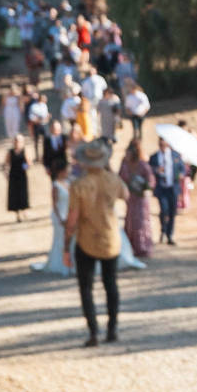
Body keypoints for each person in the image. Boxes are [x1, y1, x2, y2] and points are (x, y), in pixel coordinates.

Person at [63, 139, 129, 347]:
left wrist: (66, 246)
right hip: (111, 238)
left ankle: (93, 331)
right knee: (111, 285)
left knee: (86, 287)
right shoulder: (113, 180)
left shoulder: (78, 185)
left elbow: (72, 219)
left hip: (87, 240)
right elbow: (126, 195)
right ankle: (112, 328)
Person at [118, 139, 155, 259]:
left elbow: (150, 181)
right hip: (131, 196)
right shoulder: (125, 164)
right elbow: (120, 179)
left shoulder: (142, 164)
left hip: (140, 197)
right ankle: (133, 246)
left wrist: (144, 187)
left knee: (140, 220)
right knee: (131, 220)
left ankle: (142, 246)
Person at [32, 170, 73, 276]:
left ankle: (69, 263)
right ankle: (61, 263)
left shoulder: (68, 183)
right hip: (60, 215)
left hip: (67, 213)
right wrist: (60, 218)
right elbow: (54, 204)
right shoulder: (55, 185)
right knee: (60, 240)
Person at [148, 136, 184, 245]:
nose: (162, 146)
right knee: (164, 210)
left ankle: (170, 235)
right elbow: (148, 170)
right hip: (161, 188)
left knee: (172, 212)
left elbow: (182, 168)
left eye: (164, 144)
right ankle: (163, 231)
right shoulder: (154, 157)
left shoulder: (175, 156)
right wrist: (156, 170)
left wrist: (181, 174)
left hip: (173, 187)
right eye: (160, 144)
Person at [4, 136, 31, 222]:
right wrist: (6, 174)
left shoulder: (24, 151)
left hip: (22, 175)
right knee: (14, 195)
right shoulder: (10, 152)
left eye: (19, 141)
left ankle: (24, 211)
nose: (17, 143)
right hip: (13, 175)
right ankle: (17, 214)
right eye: (16, 141)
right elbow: (6, 164)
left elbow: (29, 163)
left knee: (23, 194)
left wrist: (26, 167)